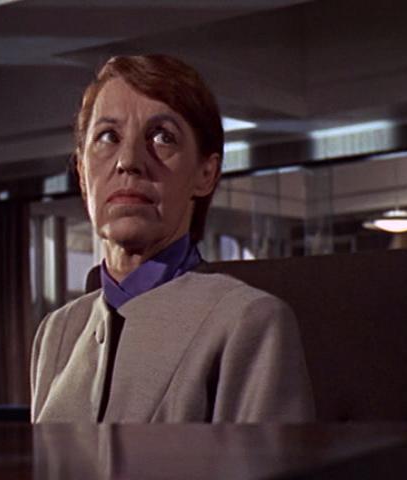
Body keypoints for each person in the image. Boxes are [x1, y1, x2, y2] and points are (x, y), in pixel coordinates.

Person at [30, 54, 314, 423]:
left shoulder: (249, 322)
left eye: (162, 137)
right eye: (108, 136)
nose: (129, 160)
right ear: (82, 174)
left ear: (206, 174)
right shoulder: (56, 333)